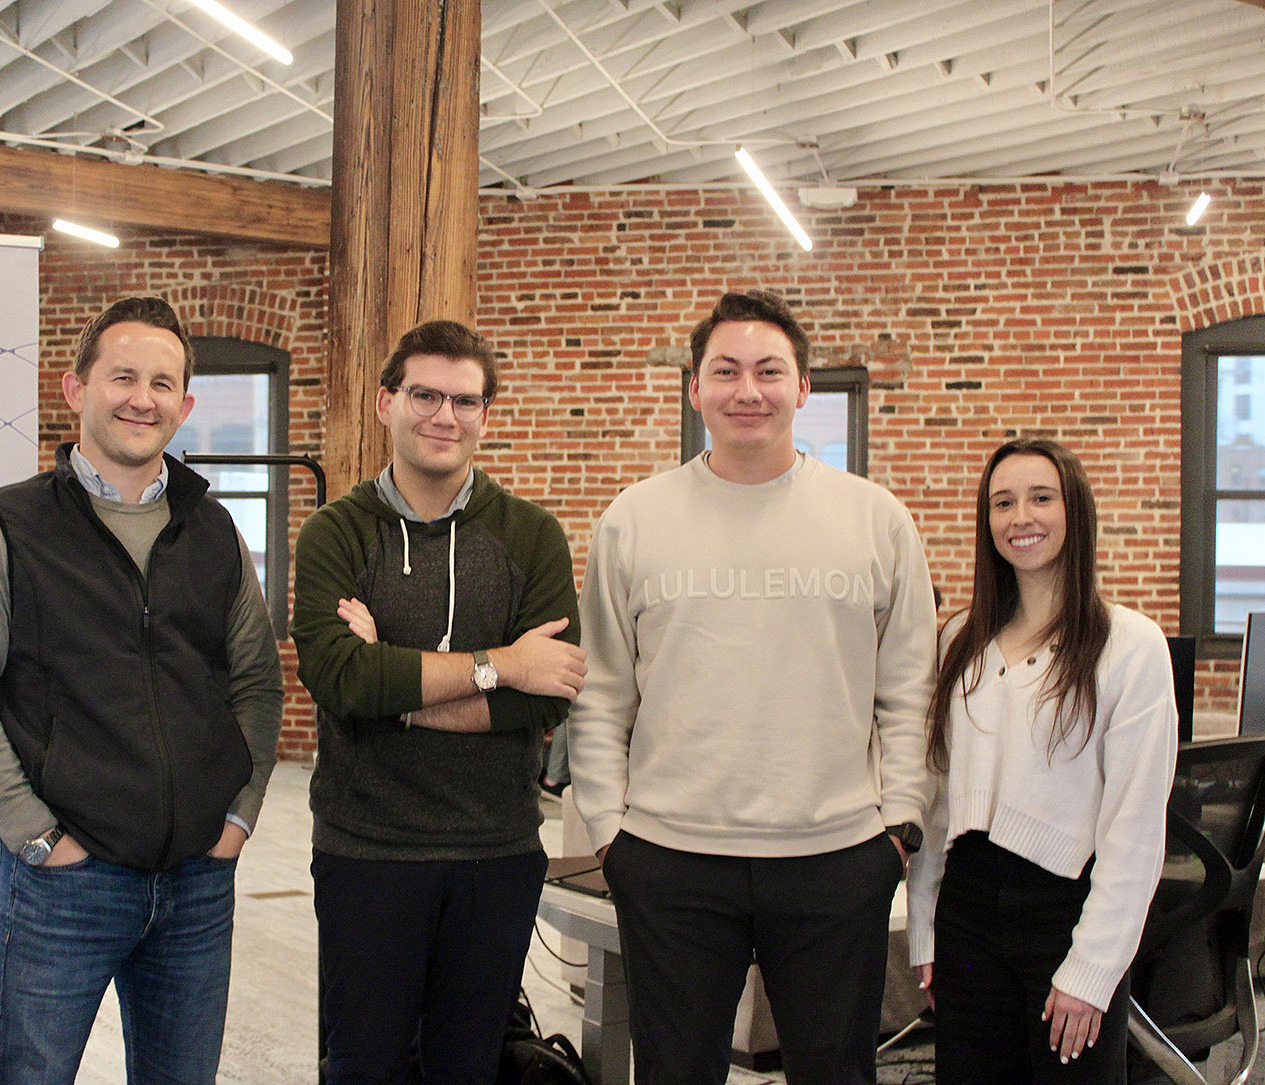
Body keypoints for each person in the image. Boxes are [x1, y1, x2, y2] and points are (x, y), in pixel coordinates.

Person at [569, 289, 937, 1084]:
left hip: (837, 856)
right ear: (694, 386)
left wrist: (899, 822)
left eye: (770, 370)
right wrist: (609, 829)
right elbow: (601, 691)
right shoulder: (634, 520)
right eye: (725, 370)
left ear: (804, 387)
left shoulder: (877, 520)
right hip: (670, 858)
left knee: (836, 1072)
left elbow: (910, 688)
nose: (748, 390)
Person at [0, 296, 283, 1085]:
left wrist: (238, 816)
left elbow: (257, 680)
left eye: (162, 382)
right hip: (64, 889)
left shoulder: (213, 529)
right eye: (122, 375)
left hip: (196, 882)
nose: (141, 397)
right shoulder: (8, 526)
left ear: (185, 406)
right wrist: (39, 838)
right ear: (74, 388)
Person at [291, 319, 586, 1084]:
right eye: (424, 394)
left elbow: (544, 700)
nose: (443, 415)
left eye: (464, 399)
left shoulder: (532, 536)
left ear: (486, 413)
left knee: (469, 1067)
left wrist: (399, 688)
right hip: (367, 851)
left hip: (497, 851)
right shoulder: (336, 532)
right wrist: (503, 663)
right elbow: (337, 679)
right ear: (387, 401)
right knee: (363, 1064)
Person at [907, 438, 1178, 1084]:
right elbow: (936, 799)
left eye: (1039, 497)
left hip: (1065, 906)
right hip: (967, 907)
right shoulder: (960, 640)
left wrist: (1093, 968)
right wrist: (925, 930)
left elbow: (1135, 828)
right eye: (1002, 502)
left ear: (1074, 510)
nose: (1019, 516)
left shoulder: (1128, 645)